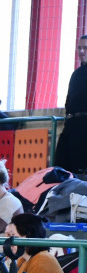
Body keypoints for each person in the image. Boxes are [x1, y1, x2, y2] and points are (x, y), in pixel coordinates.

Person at [55, 35, 87, 174]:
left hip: (84, 127)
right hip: (70, 126)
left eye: (85, 48)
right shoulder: (76, 74)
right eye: (79, 48)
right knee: (60, 168)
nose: (81, 51)